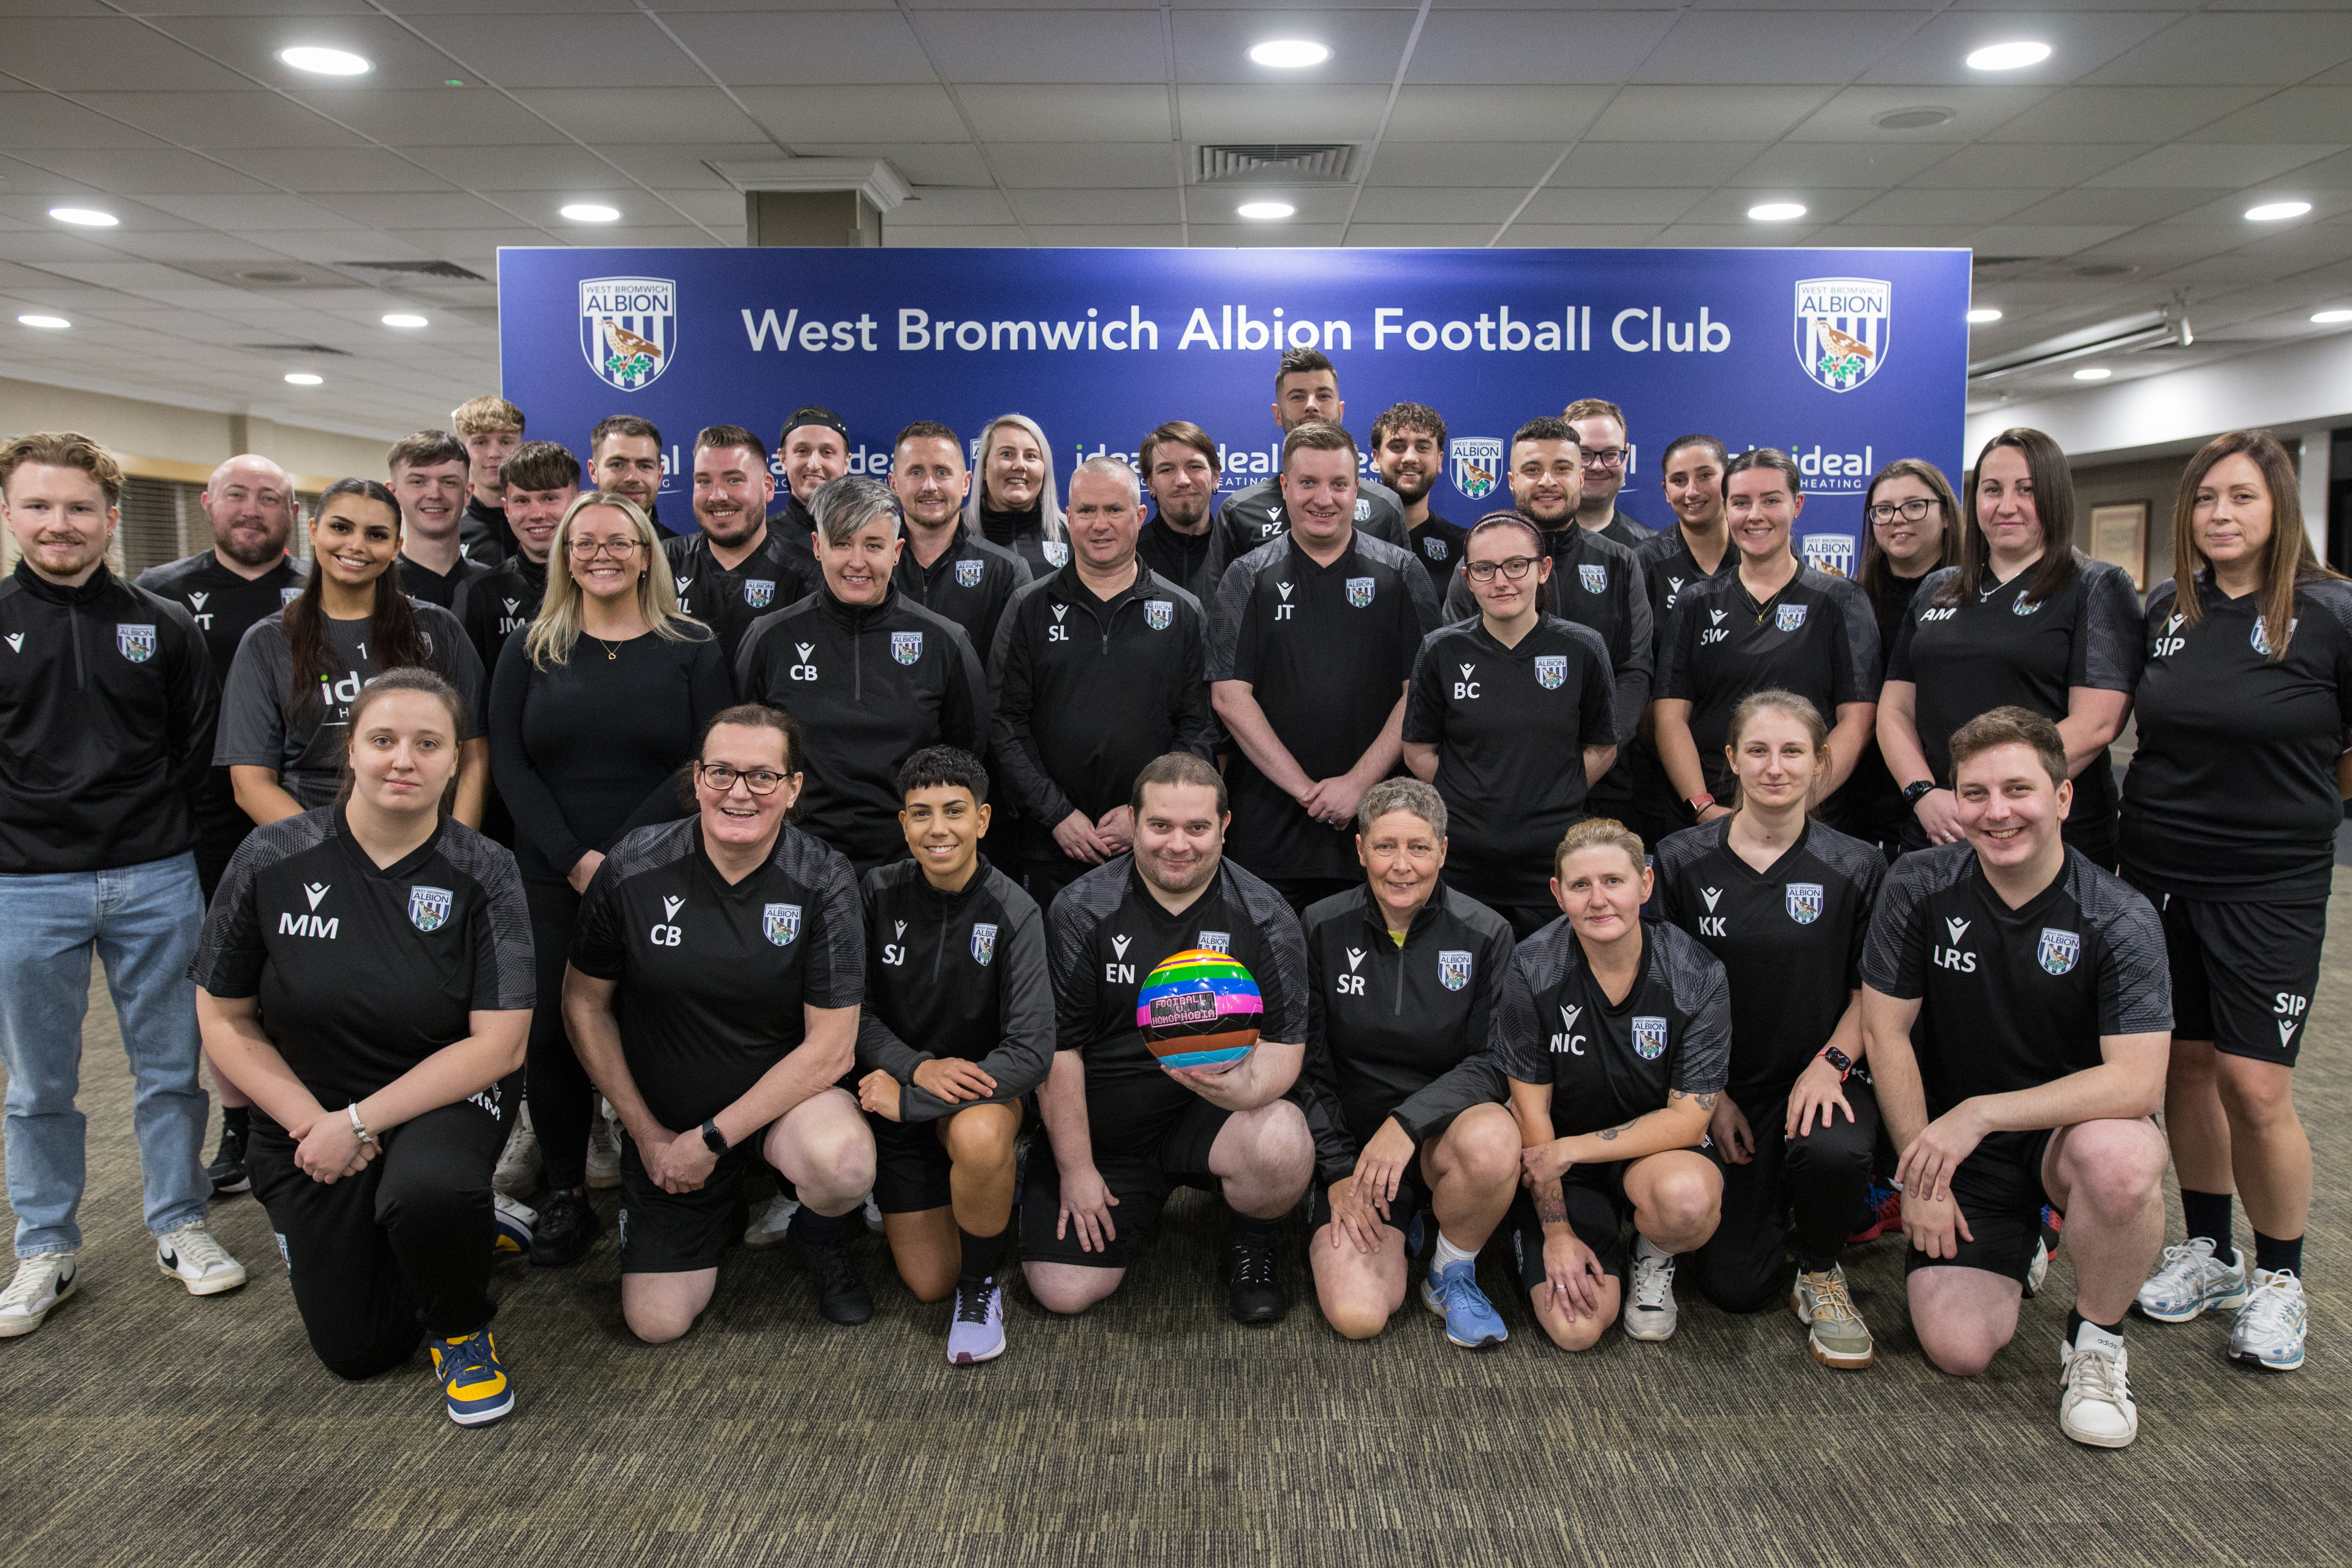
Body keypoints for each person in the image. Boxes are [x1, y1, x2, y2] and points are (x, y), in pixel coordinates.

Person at [191, 669, 532, 1422]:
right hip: (307, 1112)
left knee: (430, 1191)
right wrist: (315, 1122)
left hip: (443, 1093)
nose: (402, 759)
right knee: (359, 1351)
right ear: (351, 750)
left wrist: (358, 1122)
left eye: (427, 743)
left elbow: (501, 1045)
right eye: (383, 739)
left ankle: (462, 1322)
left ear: (453, 762)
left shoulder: (485, 869)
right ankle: (456, 1236)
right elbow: (223, 1015)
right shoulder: (271, 856)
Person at [1861, 706, 2170, 1446]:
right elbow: (1885, 1031)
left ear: (2061, 798)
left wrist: (1982, 1112)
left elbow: (2137, 1083)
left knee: (2123, 1158)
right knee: (1958, 1347)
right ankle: (2030, 1239)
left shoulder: (2116, 916)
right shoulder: (1918, 884)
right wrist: (1923, 1183)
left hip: (2064, 1137)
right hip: (1963, 1153)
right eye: (1974, 793)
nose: (1996, 812)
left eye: (2017, 789)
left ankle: (2095, 1341)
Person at [0, 430, 246, 1338]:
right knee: (38, 1082)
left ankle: (180, 1224)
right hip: (25, 885)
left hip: (152, 876)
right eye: (38, 506)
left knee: (169, 1072)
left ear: (110, 517)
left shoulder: (164, 623)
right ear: (9, 514)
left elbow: (196, 753)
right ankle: (47, 1246)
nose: (58, 524)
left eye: (76, 508)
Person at [2123, 430, 2352, 1372]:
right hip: (2161, 867)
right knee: (2182, 1066)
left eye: (2243, 499)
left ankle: (2281, 1275)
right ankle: (2210, 1251)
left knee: (2257, 1086)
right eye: (2208, 499)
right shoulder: (2167, 610)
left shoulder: (2330, 612)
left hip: (2271, 882)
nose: (2222, 516)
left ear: (2279, 509)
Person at [564, 704, 877, 1338]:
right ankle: (718, 1206)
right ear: (697, 779)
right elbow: (583, 1004)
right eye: (721, 773)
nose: (739, 793)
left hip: (777, 1112)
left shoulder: (824, 879)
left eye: (762, 777)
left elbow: (833, 1050)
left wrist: (710, 1140)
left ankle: (815, 1234)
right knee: (656, 1325)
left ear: (793, 790)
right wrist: (648, 1135)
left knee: (843, 1163)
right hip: (665, 1122)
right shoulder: (632, 866)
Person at [489, 490, 729, 1266]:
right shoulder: (530, 646)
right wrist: (572, 857)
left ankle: (660, 1177)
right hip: (550, 872)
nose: (602, 553)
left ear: (645, 553)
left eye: (620, 541)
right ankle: (566, 1191)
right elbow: (510, 763)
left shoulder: (691, 644)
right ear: (564, 554)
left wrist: (620, 857)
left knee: (658, 1026)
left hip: (664, 867)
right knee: (555, 1032)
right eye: (584, 540)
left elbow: (708, 759)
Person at [1020, 753, 1316, 1322]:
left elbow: (1286, 1047)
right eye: (1160, 826)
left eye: (1197, 828)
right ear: (1132, 822)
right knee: (1063, 1291)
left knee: (1282, 1138)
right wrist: (1078, 1170)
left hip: (1211, 1116)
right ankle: (1123, 1199)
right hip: (1107, 1130)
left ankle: (1252, 1242)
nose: (1178, 844)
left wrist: (1246, 1092)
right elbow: (1059, 1052)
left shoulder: (1266, 915)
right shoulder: (1081, 910)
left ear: (1225, 828)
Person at [1655, 691, 1888, 1367]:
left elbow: (1871, 993)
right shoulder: (1679, 860)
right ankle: (1769, 1215)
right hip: (1718, 1090)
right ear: (1730, 760)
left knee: (1834, 1152)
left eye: (1793, 752)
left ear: (1820, 764)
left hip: (1818, 1075)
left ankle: (1819, 1266)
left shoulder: (1858, 866)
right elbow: (1661, 993)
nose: (1774, 768)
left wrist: (1832, 1063)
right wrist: (1708, 1096)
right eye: (1757, 751)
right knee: (1737, 1287)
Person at [1297, 779, 1521, 1349]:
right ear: (1360, 850)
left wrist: (1406, 1123)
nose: (1402, 866)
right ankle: (1394, 1227)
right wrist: (1339, 1170)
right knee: (1358, 1316)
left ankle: (1452, 1271)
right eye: (1386, 846)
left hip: (1436, 1144)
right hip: (1354, 1159)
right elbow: (1305, 1064)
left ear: (1443, 852)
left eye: (1419, 848)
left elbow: (1495, 1062)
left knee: (1497, 1137)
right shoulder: (1319, 927)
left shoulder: (1487, 933)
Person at [138, 453, 307, 1196]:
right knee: (223, 977)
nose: (251, 509)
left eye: (269, 498)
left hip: (300, 811)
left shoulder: (317, 590)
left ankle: (304, 1104)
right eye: (237, 494)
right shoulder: (161, 597)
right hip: (204, 821)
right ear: (208, 502)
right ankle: (241, 1124)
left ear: (290, 512)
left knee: (302, 970)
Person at [1494, 818, 1729, 1351]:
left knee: (1687, 1202)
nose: (1599, 900)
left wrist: (1569, 1150)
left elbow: (1691, 1120)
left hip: (1652, 1153)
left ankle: (1653, 1253)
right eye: (1580, 886)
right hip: (1561, 1166)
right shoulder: (1532, 965)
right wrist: (1556, 1232)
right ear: (1559, 894)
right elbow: (1532, 1112)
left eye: (1614, 882)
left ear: (1645, 884)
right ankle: (1569, 1239)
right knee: (1575, 1331)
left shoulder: (1696, 972)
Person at [855, 747, 1052, 1364]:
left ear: (983, 820)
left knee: (980, 1137)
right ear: (902, 824)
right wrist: (915, 1067)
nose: (937, 828)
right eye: (920, 814)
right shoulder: (875, 893)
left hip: (974, 1099)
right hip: (899, 1097)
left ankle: (981, 1287)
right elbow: (850, 1014)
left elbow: (1031, 1052)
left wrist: (912, 1096)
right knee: (926, 1282)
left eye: (953, 811)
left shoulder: (1015, 910)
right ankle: (978, 1202)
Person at [1879, 429, 2142, 869]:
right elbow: (1895, 711)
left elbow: (2098, 723)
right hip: (1940, 826)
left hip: (2043, 834)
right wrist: (1923, 793)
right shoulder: (1936, 589)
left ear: (2055, 496)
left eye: (2027, 490)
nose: (2006, 506)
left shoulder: (2095, 585)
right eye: (1992, 490)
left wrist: (1991, 796)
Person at [1210, 423, 1443, 914]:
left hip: (1378, 827)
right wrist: (1307, 792)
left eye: (1339, 484)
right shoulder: (1245, 575)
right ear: (1286, 487)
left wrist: (1357, 786)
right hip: (1269, 825)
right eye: (1309, 483)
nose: (1324, 498)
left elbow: (1421, 694)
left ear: (1357, 489)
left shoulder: (1404, 573)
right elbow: (1229, 697)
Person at [992, 455, 1216, 909]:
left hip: (1154, 846)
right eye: (1087, 511)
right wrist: (1057, 814)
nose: (1100, 524)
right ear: (1068, 517)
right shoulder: (1028, 607)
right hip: (1049, 843)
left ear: (1138, 517)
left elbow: (1199, 727)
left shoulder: (1183, 612)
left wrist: (1146, 815)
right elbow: (1003, 722)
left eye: (1114, 510)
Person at [737, 477, 990, 874]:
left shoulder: (946, 641)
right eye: (842, 544)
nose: (858, 561)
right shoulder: (769, 638)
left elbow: (968, 757)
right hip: (793, 862)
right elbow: (741, 757)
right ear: (818, 548)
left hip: (909, 866)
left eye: (873, 545)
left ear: (897, 552)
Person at [217, 480, 488, 828]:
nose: (356, 545)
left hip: (423, 843)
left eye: (376, 535)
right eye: (341, 528)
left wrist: (454, 851)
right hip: (313, 849)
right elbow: (251, 784)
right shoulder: (267, 641)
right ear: (314, 531)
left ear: (396, 547)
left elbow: (475, 757)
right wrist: (332, 859)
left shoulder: (439, 628)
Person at [1402, 513, 1617, 937]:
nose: (1501, 581)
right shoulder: (1441, 649)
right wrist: (1467, 800)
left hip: (1553, 866)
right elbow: (1417, 749)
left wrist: (1559, 792)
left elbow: (1603, 746)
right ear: (1467, 578)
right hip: (1462, 866)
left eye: (1516, 565)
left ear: (1543, 569)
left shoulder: (1583, 647)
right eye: (1484, 569)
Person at [1653, 447, 1878, 833]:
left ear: (1798, 505)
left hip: (1811, 818)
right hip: (1714, 818)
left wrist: (1788, 806)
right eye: (1741, 502)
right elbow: (1670, 719)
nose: (1755, 515)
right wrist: (1703, 806)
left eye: (1771, 500)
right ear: (1726, 508)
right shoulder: (1695, 602)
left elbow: (1857, 724)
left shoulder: (1841, 600)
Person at [1445, 418, 1651, 831]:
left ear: (1580, 475)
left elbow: (1635, 671)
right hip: (1494, 791)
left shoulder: (1621, 562)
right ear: (1511, 480)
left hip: (1602, 789)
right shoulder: (1475, 569)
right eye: (1533, 469)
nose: (1548, 482)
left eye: (1561, 468)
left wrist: (1592, 760)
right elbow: (1452, 669)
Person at [1842, 459, 1963, 859]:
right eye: (1884, 510)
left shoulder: (1980, 601)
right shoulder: (1849, 602)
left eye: (1915, 506)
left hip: (1950, 802)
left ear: (1946, 514)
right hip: (1864, 801)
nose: (1898, 520)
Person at [1627, 434, 1738, 853]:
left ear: (1728, 479)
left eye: (1706, 475)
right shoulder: (1644, 562)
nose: (1692, 491)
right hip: (1661, 770)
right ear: (1665, 490)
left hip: (1752, 764)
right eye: (1679, 480)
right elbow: (1633, 669)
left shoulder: (1762, 552)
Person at [1217, 349, 1409, 557]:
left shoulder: (1385, 506)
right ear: (1278, 415)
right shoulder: (1239, 511)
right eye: (1298, 397)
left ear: (1341, 410)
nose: (1311, 405)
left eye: (1323, 396)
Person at [663, 424, 821, 666]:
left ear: (768, 487)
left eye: (734, 480)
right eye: (704, 481)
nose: (717, 496)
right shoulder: (663, 562)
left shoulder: (806, 575)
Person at [888, 420, 1030, 661]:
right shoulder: (869, 566)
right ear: (894, 484)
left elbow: (1010, 679)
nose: (930, 486)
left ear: (966, 483)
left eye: (942, 473)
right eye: (916, 472)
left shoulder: (1007, 571)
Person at [453, 440, 576, 675]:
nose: (537, 514)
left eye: (550, 498)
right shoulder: (478, 594)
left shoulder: (603, 584)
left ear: (576, 502)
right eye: (522, 501)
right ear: (507, 509)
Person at [386, 430, 492, 611]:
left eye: (449, 483)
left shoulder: (491, 584)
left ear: (468, 494)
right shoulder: (378, 584)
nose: (435, 495)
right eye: (418, 482)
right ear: (393, 493)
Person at [1371, 401, 1467, 597]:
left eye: (1423, 448)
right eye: (1398, 446)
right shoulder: (1347, 536)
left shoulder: (1465, 548)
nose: (1410, 458)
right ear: (1376, 459)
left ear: (1440, 460)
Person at [1135, 420, 1233, 605]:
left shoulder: (1240, 552)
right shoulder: (1130, 555)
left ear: (1216, 478)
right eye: (1167, 469)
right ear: (1150, 485)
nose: (1182, 480)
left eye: (1194, 466)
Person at [963, 413, 1072, 578]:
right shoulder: (954, 533)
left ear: (1045, 469)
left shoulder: (1073, 534)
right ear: (984, 468)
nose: (1020, 465)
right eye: (1007, 454)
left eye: (1031, 456)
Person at [1563, 397, 1656, 547]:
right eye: (1584, 454)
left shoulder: (1653, 548)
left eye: (1611, 454)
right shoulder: (1527, 542)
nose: (1597, 466)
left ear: (1626, 458)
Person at [770, 406, 852, 565]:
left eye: (827, 452)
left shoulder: (870, 536)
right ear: (783, 459)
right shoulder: (759, 538)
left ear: (846, 462)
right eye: (802, 451)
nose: (814, 465)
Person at [452, 395, 525, 566]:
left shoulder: (543, 523)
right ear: (462, 450)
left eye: (506, 442)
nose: (494, 453)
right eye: (480, 442)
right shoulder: (450, 527)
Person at [588, 415, 678, 538]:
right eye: (617, 464)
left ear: (660, 476)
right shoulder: (567, 552)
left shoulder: (680, 556)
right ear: (594, 471)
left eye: (645, 466)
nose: (632, 478)